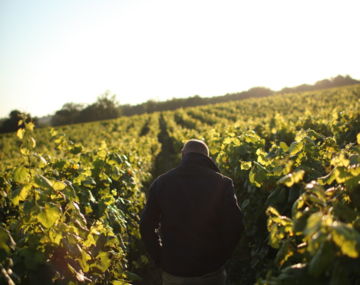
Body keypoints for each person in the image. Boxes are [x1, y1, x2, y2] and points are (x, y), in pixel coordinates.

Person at [140, 139, 244, 285]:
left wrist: (160, 258)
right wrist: (221, 257)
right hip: (210, 272)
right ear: (208, 158)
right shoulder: (223, 183)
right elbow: (235, 225)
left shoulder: (162, 182)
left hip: (174, 271)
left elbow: (146, 225)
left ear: (183, 154)